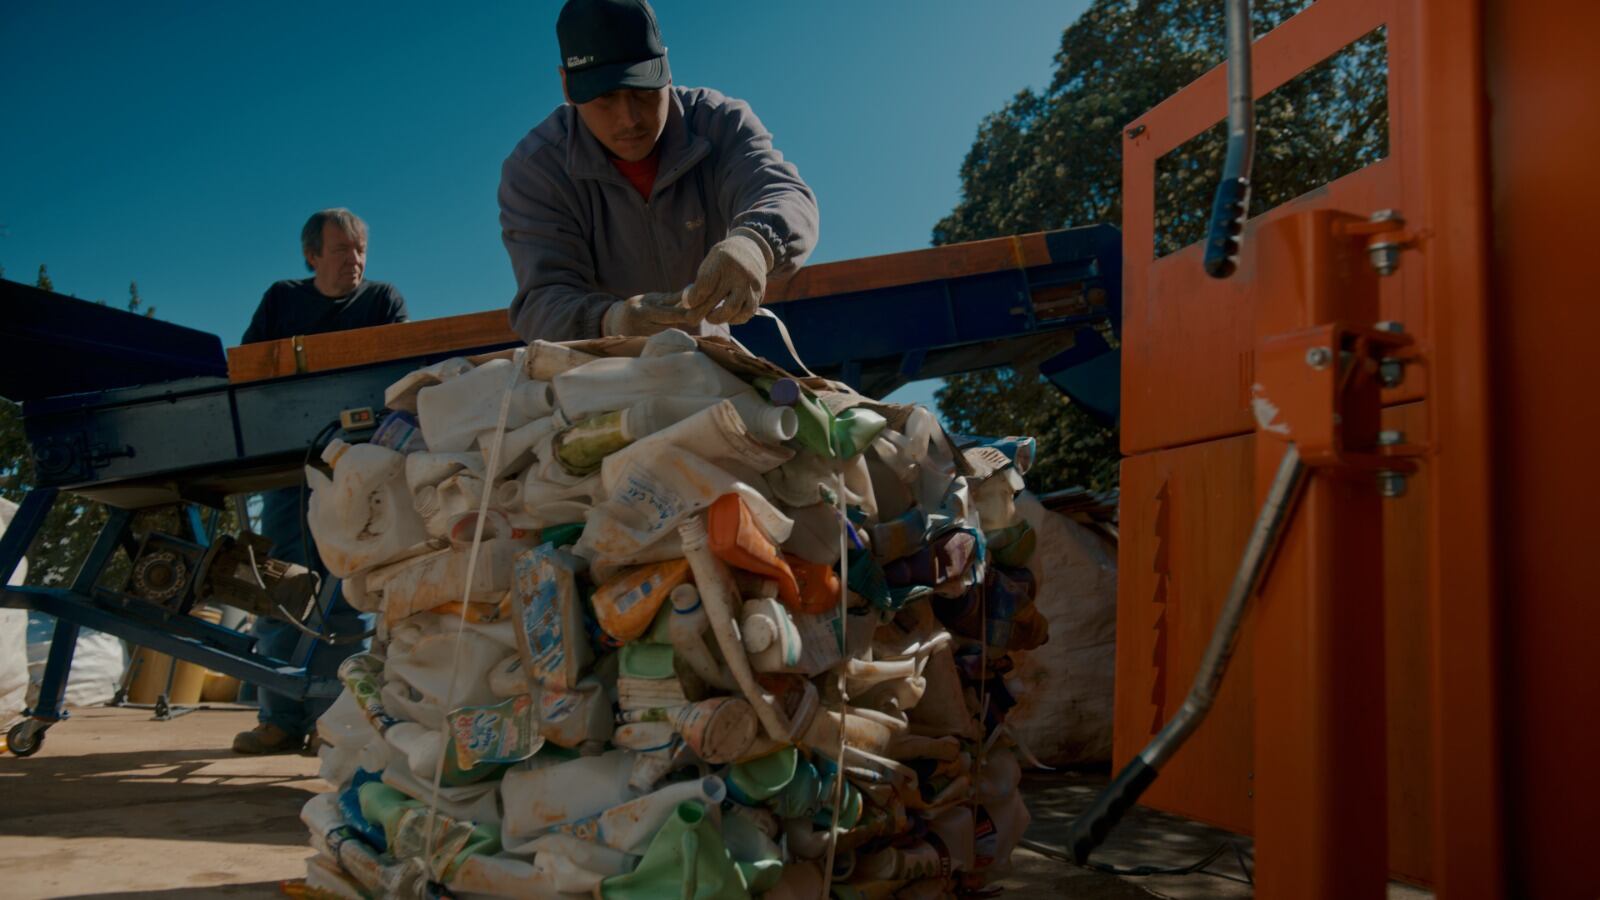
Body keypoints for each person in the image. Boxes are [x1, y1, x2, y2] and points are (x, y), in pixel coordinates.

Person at [499, 0, 819, 343]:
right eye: (605, 97)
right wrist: (613, 322)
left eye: (642, 90)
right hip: (598, 377)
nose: (629, 119)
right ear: (567, 86)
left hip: (711, 363)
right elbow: (543, 300)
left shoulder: (719, 123)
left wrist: (755, 245)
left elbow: (783, 193)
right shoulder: (536, 170)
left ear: (666, 68)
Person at [233, 208, 408, 754]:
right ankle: (280, 717)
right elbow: (250, 368)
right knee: (282, 579)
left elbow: (400, 372)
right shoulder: (282, 299)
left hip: (359, 466)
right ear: (312, 255)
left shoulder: (383, 302)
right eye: (341, 250)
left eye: (360, 250)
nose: (353, 260)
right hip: (288, 463)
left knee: (348, 582)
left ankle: (334, 717)